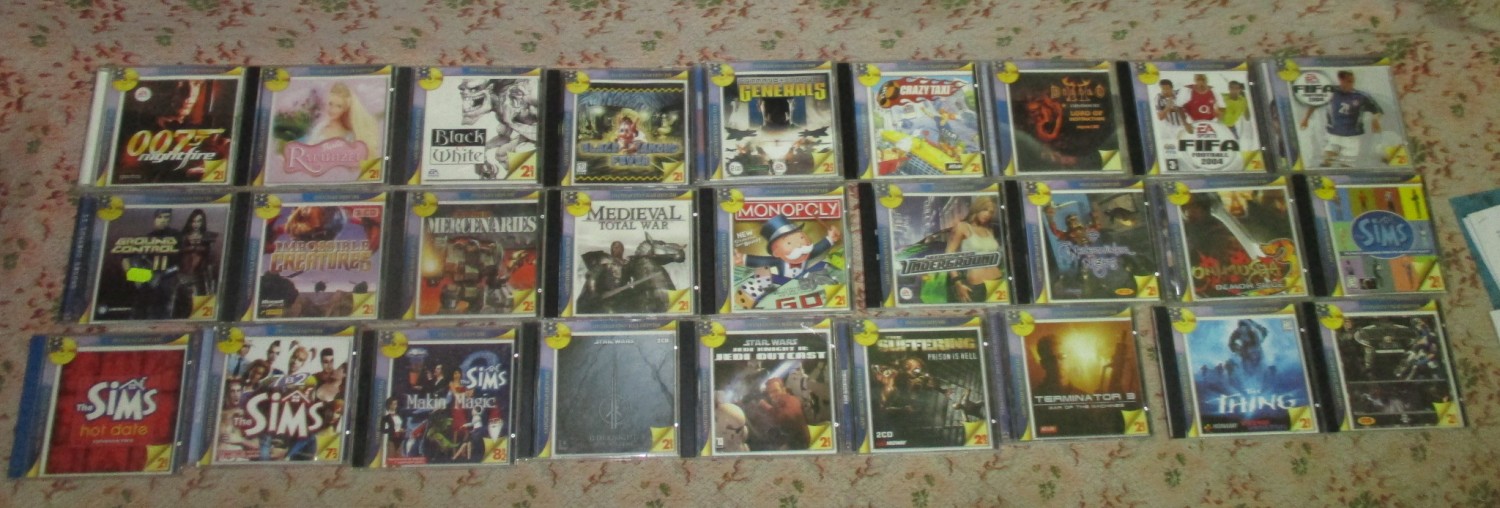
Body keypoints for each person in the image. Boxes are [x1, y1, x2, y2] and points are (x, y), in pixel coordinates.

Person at [1299, 70, 1383, 168]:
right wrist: (1306, 118)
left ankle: (1344, 174)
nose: (1351, 84)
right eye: (1349, 81)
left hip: (1352, 137)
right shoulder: (1330, 92)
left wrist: (1375, 119)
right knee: (1326, 162)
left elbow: (1377, 110)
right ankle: (1324, 173)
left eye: (1353, 81)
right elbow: (1314, 103)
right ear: (1341, 80)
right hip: (1333, 134)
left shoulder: (1361, 96)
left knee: (1346, 166)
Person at [943, 197, 1001, 303]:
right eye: (985, 209)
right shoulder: (962, 227)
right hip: (976, 285)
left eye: (991, 212)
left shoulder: (989, 230)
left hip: (998, 282)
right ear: (977, 208)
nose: (987, 214)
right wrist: (957, 282)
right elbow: (948, 255)